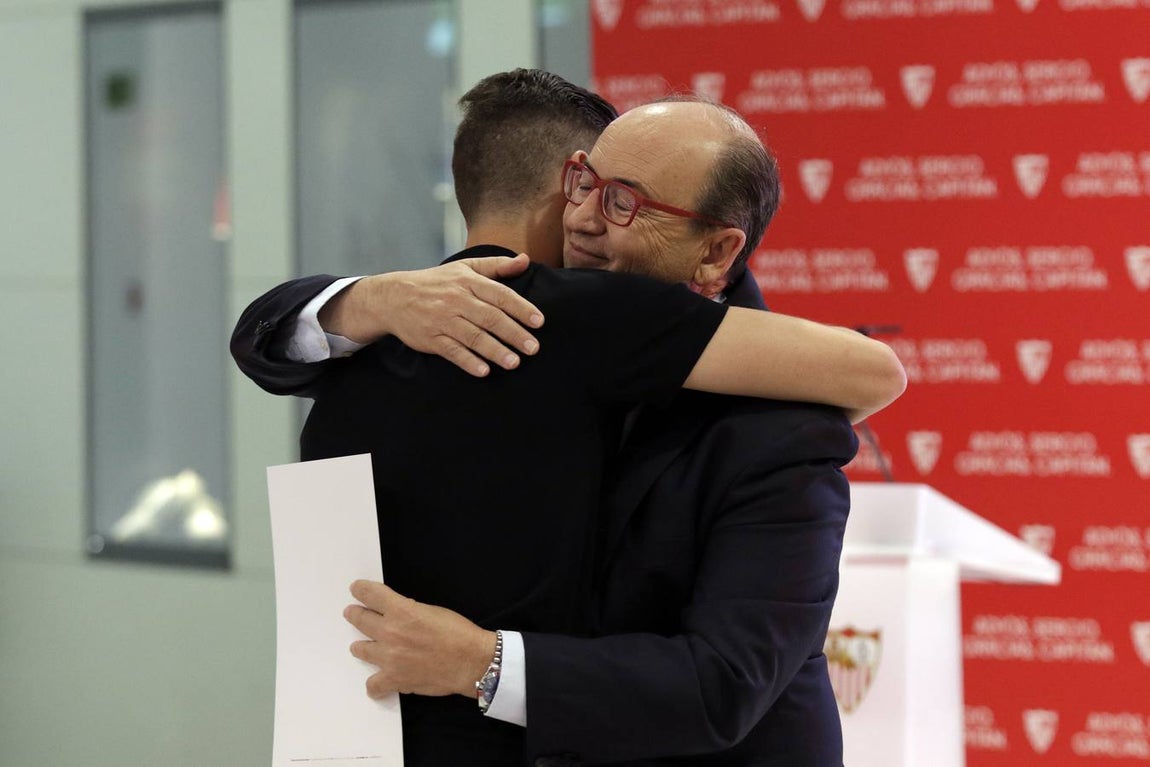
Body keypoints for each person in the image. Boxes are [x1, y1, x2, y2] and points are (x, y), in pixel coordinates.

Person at [232, 70, 905, 765]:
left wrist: (479, 662)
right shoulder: (498, 330)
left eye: (624, 203)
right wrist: (366, 299)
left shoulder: (782, 429)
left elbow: (722, 685)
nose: (580, 217)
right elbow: (267, 334)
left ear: (717, 252)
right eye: (584, 183)